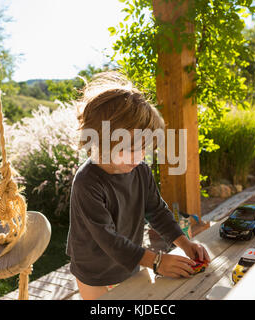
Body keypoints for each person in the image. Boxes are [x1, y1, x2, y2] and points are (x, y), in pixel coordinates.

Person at [65, 71, 210, 300]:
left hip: (130, 263)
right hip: (93, 272)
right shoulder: (87, 182)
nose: (140, 155)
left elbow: (157, 211)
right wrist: (157, 261)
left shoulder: (139, 169)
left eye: (144, 147)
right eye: (131, 147)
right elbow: (109, 240)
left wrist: (184, 243)